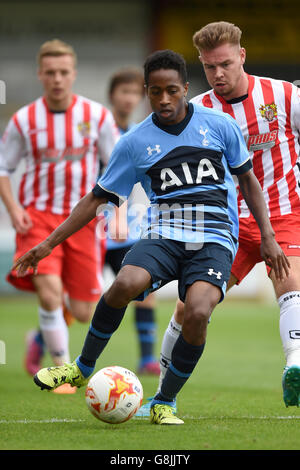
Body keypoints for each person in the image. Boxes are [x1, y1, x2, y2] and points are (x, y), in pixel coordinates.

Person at [12, 50, 289, 425]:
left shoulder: (220, 125)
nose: (163, 100)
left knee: (198, 312)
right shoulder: (135, 142)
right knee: (125, 282)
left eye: (172, 90)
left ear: (186, 89)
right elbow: (97, 198)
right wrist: (46, 245)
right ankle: (80, 367)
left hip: (214, 238)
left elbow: (248, 181)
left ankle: (165, 401)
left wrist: (268, 236)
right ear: (146, 91)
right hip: (164, 235)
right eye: (155, 92)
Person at [144, 20, 300, 414]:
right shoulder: (197, 112)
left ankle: (295, 366)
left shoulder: (284, 96)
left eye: (225, 64)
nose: (218, 75)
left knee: (290, 280)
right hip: (224, 225)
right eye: (210, 67)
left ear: (242, 56)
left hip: (282, 214)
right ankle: (163, 396)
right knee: (188, 309)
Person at [0, 39, 119, 391]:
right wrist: (15, 209)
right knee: (50, 294)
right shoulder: (24, 120)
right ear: (40, 74)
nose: (57, 79)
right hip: (36, 217)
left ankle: (40, 335)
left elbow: (115, 168)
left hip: (82, 220)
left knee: (83, 312)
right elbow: (3, 169)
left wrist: (118, 211)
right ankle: (60, 371)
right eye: (50, 72)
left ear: (73, 74)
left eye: (63, 72)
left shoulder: (97, 116)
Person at [104, 68, 160, 375]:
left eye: (133, 93)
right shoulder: (97, 130)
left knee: (143, 292)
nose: (128, 98)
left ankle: (148, 357)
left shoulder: (142, 133)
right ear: (112, 95)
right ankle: (42, 340)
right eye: (123, 92)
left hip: (123, 231)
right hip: (91, 227)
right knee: (79, 305)